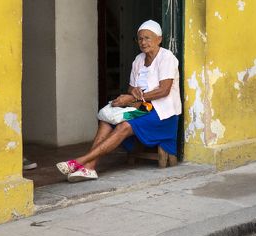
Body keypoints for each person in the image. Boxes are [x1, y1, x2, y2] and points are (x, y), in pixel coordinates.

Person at [56, 19, 181, 182]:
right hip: (141, 109)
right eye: (140, 38)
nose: (143, 42)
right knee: (106, 120)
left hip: (162, 114)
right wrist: (132, 93)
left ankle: (81, 161)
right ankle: (89, 167)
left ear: (159, 39)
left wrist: (132, 97)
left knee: (125, 125)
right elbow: (131, 88)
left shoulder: (167, 57)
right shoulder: (138, 60)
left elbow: (164, 90)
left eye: (147, 38)